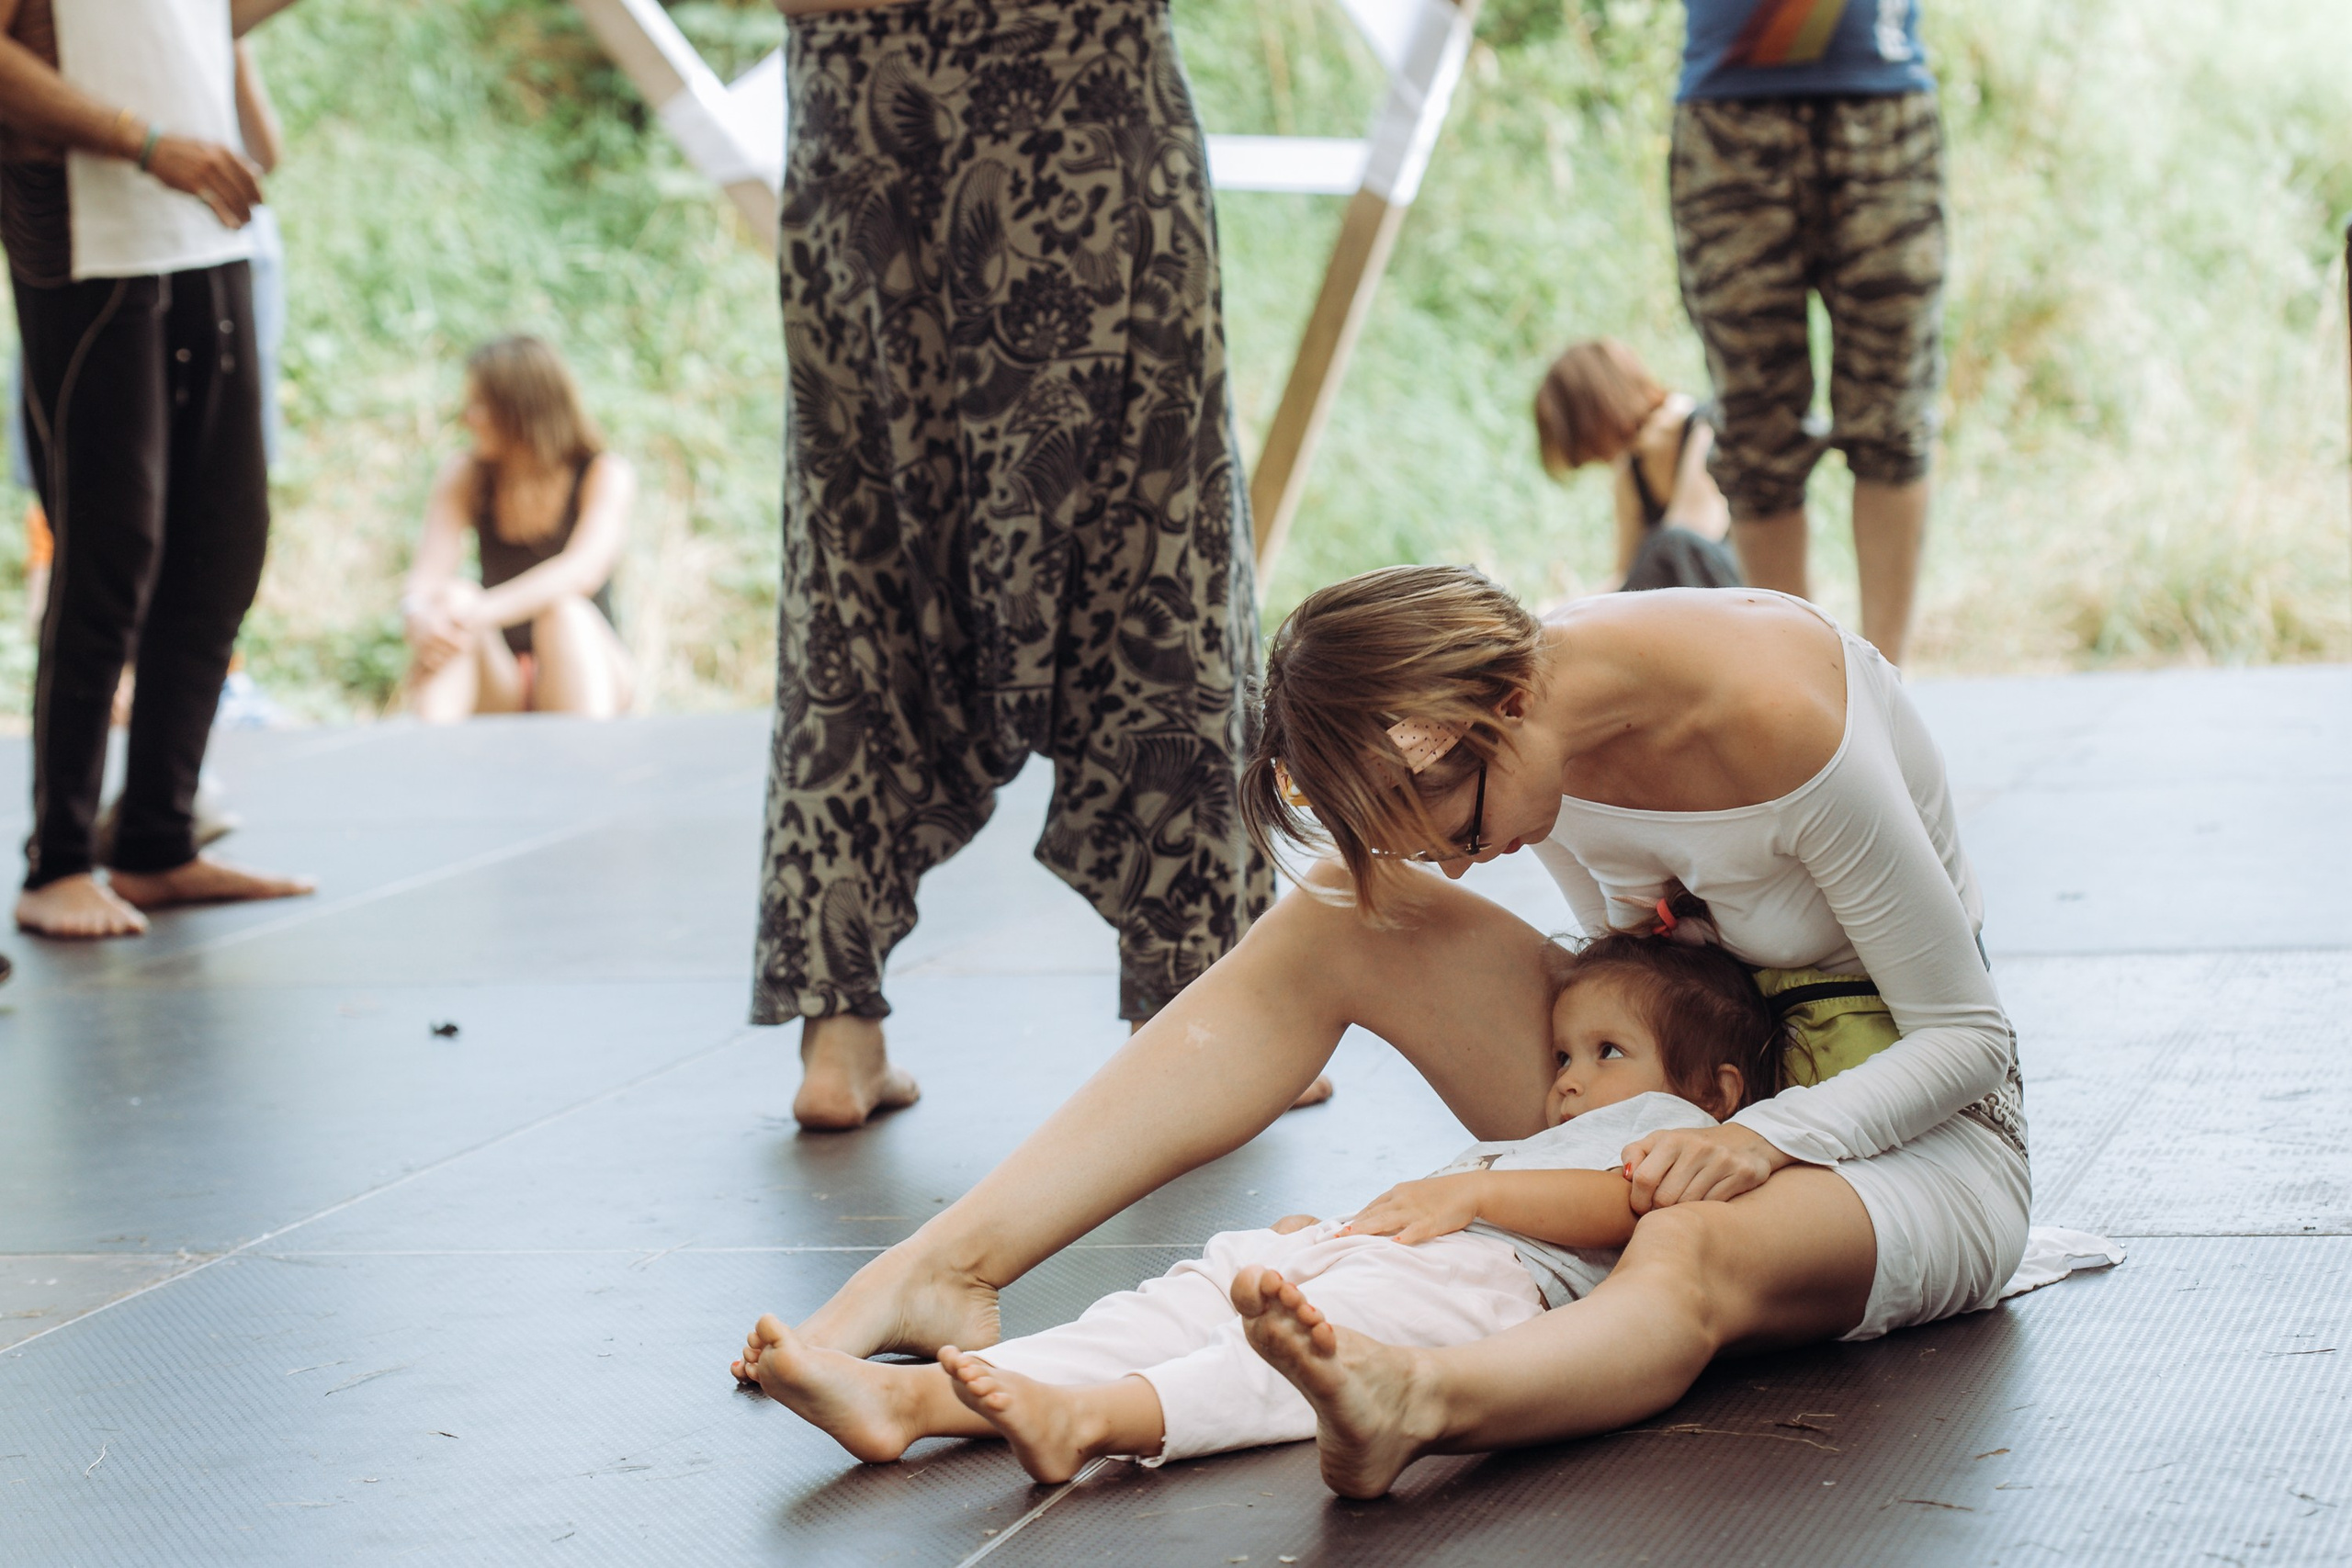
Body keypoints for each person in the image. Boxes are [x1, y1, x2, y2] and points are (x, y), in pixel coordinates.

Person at [775, 564, 2029, 1500]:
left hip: (1913, 1134)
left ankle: (1413, 1397)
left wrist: (1760, 1138)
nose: (1461, 868)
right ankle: (947, 1265)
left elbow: (1970, 1036)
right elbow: (1642, 978)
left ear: (1512, 703)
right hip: (1693, 1098)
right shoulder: (1527, 725)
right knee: (1337, 912)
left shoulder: (1771, 707)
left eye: (1465, 833)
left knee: (1686, 1240)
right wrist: (1506, 1176)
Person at [754, 0, 1282, 1130]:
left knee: (861, 548)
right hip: (1083, 79)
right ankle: (1196, 1004)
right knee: (1156, 532)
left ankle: (838, 1035)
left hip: (863, 101)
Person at [734, 931, 1784, 1481]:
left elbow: (1615, 1209)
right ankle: (908, 1404)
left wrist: (1473, 1190)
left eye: (1605, 1054)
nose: (1566, 1079)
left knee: (1268, 1372)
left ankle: (1094, 1422)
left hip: (1493, 1294)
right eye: (1561, 1053)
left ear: (1715, 1093)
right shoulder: (1551, 1132)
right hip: (1387, 1254)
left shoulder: (1673, 1139)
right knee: (1162, 1311)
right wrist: (1335, 1233)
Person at [1, 0, 315, 940]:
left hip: (205, 233)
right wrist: (146, 143)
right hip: (90, 241)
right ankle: (56, 864)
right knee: (110, 547)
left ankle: (156, 843)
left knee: (224, 544)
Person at [1668, 0, 1946, 664]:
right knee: (1757, 432)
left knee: (1893, 415)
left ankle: (1885, 699)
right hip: (1726, 110)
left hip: (1881, 95)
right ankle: (1803, 706)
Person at [400, 336, 637, 723]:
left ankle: (593, 767)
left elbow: (582, 571)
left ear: (521, 409)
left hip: (588, 671)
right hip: (503, 679)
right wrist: (420, 616)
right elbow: (423, 584)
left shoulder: (604, 473)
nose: (467, 418)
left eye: (480, 405)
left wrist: (478, 612)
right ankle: (431, 758)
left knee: (564, 613)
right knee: (451, 598)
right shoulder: (466, 475)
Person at [1534, 337, 1738, 593]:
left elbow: (1684, 550)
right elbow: (1626, 575)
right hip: (1684, 609)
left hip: (1735, 597)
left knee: (1670, 547)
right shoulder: (1631, 469)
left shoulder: (1705, 430)